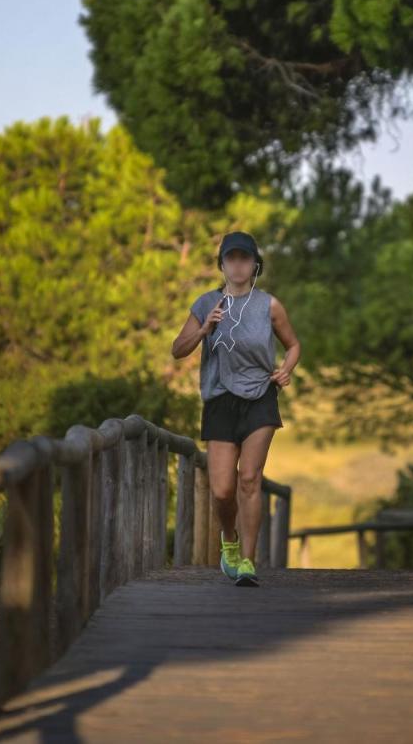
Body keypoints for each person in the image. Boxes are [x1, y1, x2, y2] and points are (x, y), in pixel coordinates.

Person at [170, 231, 301, 586]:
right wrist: (204, 330)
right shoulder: (205, 304)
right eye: (232, 258)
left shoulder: (269, 306)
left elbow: (293, 345)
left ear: (255, 264)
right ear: (222, 264)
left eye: (245, 258)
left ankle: (247, 561)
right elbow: (177, 349)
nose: (239, 264)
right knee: (222, 490)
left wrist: (286, 369)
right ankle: (229, 539)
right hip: (220, 401)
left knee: (249, 479)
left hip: (261, 396)